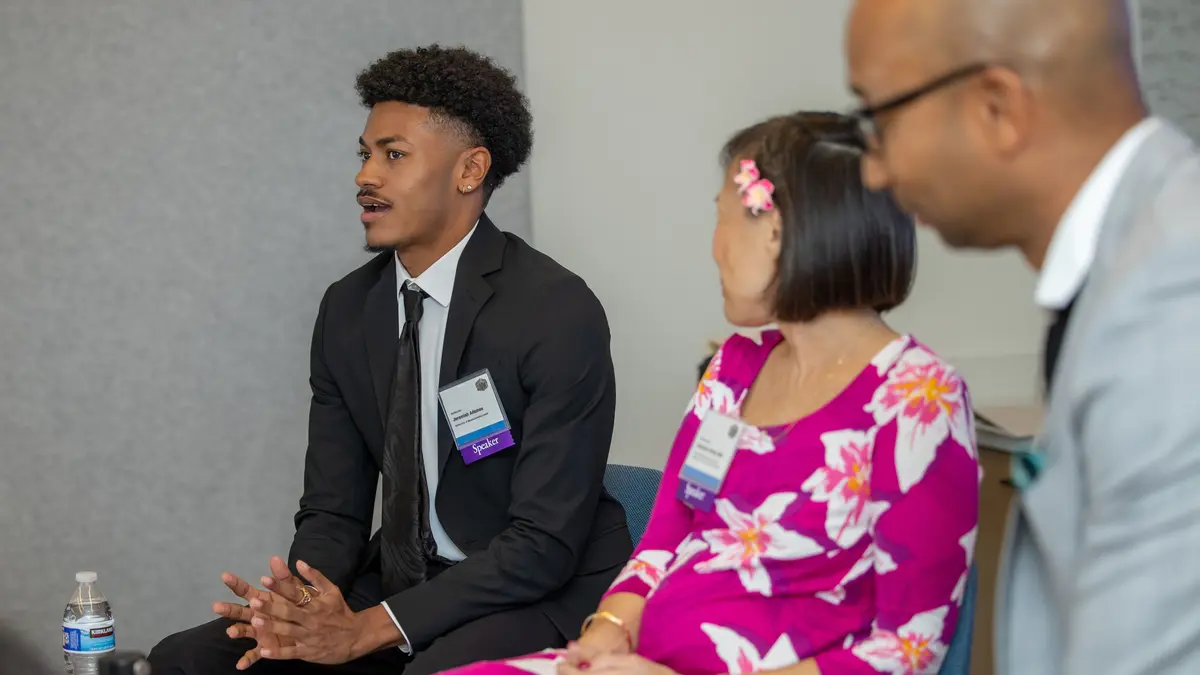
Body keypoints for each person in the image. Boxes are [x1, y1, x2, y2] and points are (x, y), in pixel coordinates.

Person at [425, 112, 980, 675]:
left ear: (778, 230)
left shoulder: (917, 397)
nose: (715, 247)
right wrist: (606, 634)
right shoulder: (733, 372)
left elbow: (909, 649)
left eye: (723, 219)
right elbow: (665, 539)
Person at [148, 45, 631, 675]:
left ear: (469, 170)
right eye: (365, 154)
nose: (364, 176)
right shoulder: (349, 308)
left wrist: (369, 630)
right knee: (189, 659)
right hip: (403, 579)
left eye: (393, 155)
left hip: (539, 591)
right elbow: (334, 507)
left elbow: (541, 545)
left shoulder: (555, 310)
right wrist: (309, 598)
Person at [844, 1, 1200, 674]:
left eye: (879, 119)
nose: (874, 171)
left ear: (997, 107)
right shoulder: (1132, 263)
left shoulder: (1171, 298)